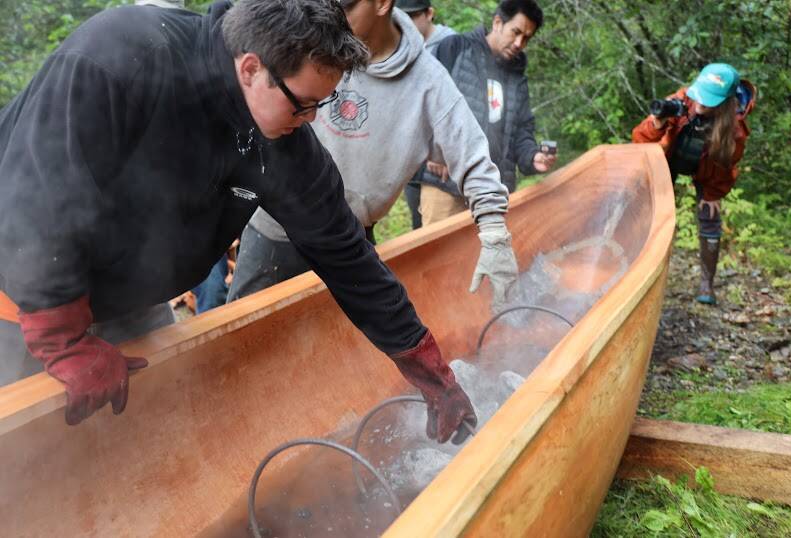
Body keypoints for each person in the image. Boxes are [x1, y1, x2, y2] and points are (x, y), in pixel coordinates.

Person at [0, 0, 476, 444]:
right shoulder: (124, 58)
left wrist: (426, 365)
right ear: (251, 68)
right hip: (25, 300)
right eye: (303, 102)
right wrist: (63, 340)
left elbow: (347, 253)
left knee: (145, 440)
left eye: (321, 104)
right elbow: (33, 197)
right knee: (23, 456)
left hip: (129, 300)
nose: (310, 119)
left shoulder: (282, 139)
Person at [230, 0, 519, 313]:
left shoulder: (428, 83)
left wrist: (494, 235)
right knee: (239, 342)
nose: (329, 14)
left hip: (349, 241)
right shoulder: (306, 40)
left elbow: (472, 155)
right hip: (274, 228)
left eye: (344, 6)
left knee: (342, 345)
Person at [417, 0, 557, 226]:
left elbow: (522, 131)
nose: (519, 43)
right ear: (498, 22)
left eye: (527, 38)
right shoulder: (455, 48)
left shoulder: (517, 75)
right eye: (516, 32)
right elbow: (424, 102)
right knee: (440, 258)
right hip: (447, 185)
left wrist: (533, 156)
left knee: (489, 259)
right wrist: (434, 149)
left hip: (492, 193)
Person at [632, 63, 756, 305]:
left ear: (725, 102)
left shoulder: (735, 129)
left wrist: (713, 195)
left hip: (705, 171)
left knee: (709, 216)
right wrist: (657, 124)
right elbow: (640, 141)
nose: (700, 104)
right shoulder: (679, 101)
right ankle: (638, 271)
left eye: (709, 100)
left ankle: (706, 286)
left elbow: (724, 166)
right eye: (700, 95)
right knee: (648, 212)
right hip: (669, 159)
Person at [397, 0, 457, 229]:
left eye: (412, 16)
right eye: (402, 16)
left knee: (440, 231)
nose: (405, 23)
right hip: (411, 155)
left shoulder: (452, 45)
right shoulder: (401, 47)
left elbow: (454, 106)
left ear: (429, 13)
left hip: (439, 161)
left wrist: (442, 150)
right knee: (418, 224)